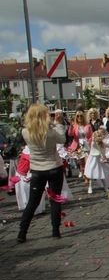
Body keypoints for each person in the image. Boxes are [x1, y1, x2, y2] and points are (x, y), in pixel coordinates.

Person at [17, 104, 66, 243]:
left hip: (38, 170)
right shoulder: (50, 131)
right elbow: (62, 139)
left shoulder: (26, 132)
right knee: (55, 199)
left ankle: (22, 232)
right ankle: (55, 231)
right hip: (54, 167)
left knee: (33, 202)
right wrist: (58, 123)